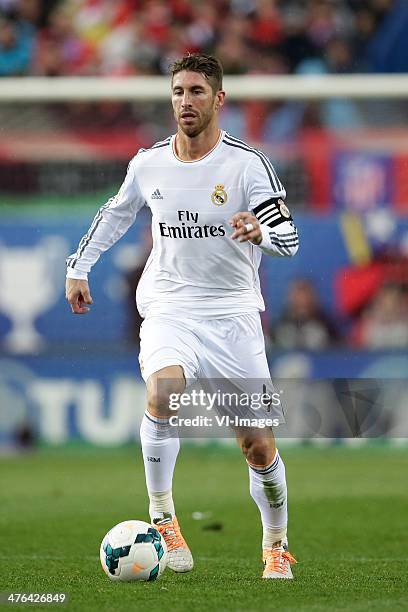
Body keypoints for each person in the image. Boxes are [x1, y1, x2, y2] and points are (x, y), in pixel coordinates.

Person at [65, 53, 299, 580]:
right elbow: (116, 212)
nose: (185, 102)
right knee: (162, 393)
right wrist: (79, 266)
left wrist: (260, 232)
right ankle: (164, 518)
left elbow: (290, 237)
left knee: (258, 446)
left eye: (196, 92)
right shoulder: (149, 162)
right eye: (177, 92)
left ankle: (277, 544)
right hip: (170, 305)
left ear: (219, 99)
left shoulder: (247, 165)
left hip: (234, 314)